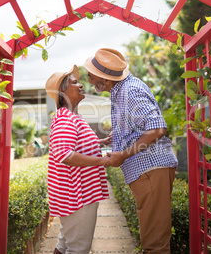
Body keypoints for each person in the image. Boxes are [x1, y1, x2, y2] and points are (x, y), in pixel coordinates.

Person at [84, 48, 178, 254]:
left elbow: (157, 129)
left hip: (151, 170)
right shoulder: (122, 89)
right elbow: (139, 128)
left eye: (91, 76)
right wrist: (116, 139)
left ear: (106, 80)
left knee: (155, 245)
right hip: (148, 172)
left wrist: (123, 154)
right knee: (153, 238)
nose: (89, 80)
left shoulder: (129, 92)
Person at [45, 65, 111, 254]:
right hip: (77, 196)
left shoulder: (73, 116)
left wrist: (101, 141)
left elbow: (74, 144)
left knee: (64, 243)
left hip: (76, 195)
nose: (81, 85)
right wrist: (102, 161)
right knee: (78, 248)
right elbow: (65, 154)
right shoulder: (66, 118)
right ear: (62, 92)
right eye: (74, 83)